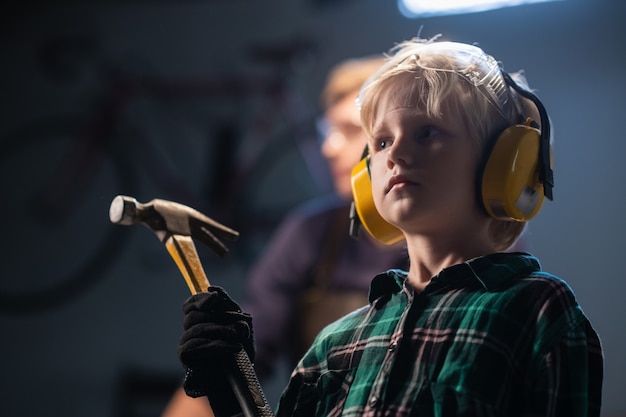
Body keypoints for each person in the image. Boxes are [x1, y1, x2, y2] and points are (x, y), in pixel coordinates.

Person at [175, 36, 604, 416]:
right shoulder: (334, 344)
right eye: (381, 142)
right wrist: (231, 387)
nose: (395, 153)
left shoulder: (537, 309)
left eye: (427, 132)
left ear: (506, 168)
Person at [161, 55, 409, 417]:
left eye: (351, 130)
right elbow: (242, 354)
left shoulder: (466, 243)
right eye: (329, 131)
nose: (329, 148)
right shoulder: (310, 232)